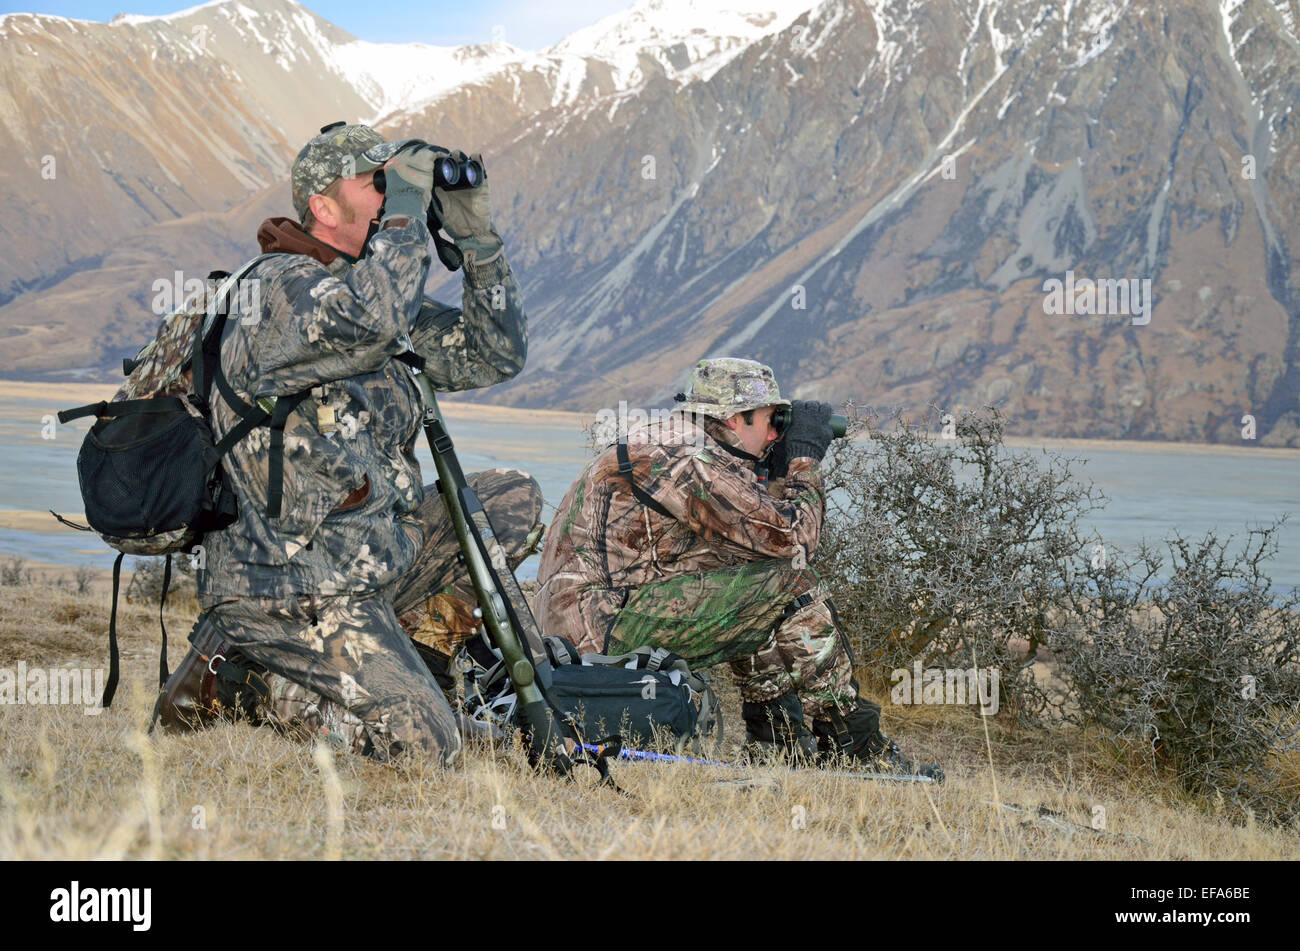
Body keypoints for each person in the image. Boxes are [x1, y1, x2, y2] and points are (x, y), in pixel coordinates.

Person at [120, 122, 541, 765]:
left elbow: (494, 354)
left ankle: (405, 668)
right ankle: (244, 679)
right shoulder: (277, 291)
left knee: (510, 500)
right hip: (291, 584)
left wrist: (477, 241)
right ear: (322, 206)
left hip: (374, 558)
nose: (391, 195)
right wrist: (406, 212)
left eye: (393, 184)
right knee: (430, 748)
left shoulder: (367, 296)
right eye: (376, 183)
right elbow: (373, 324)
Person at [534, 357, 942, 778]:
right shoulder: (688, 458)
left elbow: (754, 543)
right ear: (732, 419)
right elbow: (793, 541)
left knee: (745, 576)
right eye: (770, 420)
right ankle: (854, 745)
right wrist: (804, 460)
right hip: (599, 638)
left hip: (594, 625)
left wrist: (776, 468)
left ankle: (778, 741)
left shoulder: (679, 442)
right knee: (792, 582)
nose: (773, 432)